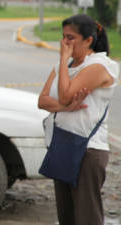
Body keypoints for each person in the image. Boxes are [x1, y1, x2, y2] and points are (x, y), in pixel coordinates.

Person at [38, 14, 119, 225]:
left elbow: (63, 95)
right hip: (62, 144)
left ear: (88, 40)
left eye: (71, 38)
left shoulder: (100, 66)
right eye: (63, 37)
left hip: (87, 149)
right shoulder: (63, 67)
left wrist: (63, 61)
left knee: (86, 216)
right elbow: (43, 100)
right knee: (66, 216)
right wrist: (67, 106)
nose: (65, 43)